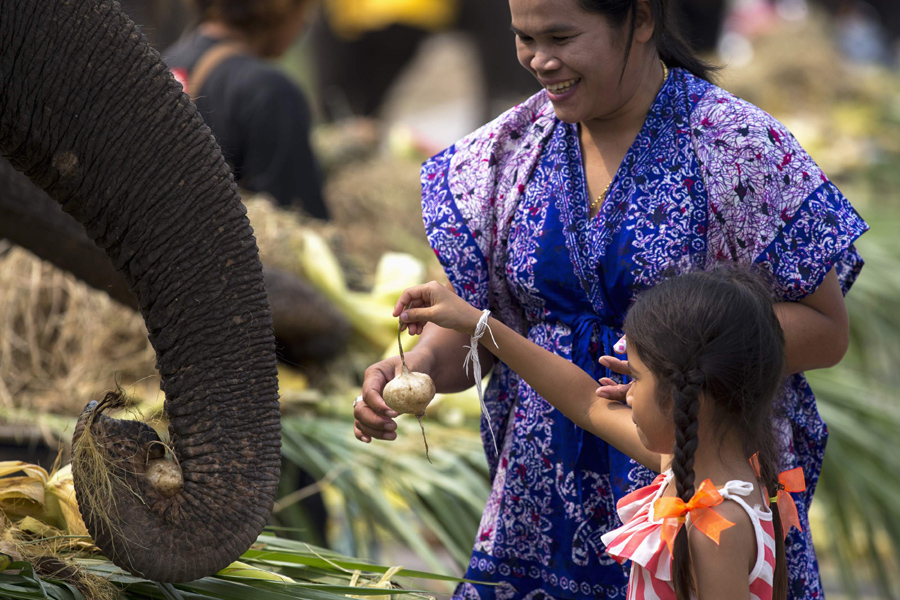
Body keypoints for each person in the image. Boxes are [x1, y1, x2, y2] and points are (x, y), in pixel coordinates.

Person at [353, 0, 868, 597]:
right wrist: (411, 370)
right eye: (524, 38)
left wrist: (676, 358)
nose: (541, 61)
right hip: (537, 507)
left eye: (562, 36)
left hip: (690, 487)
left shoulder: (738, 149)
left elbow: (826, 329)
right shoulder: (508, 154)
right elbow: (486, 325)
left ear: (641, 19)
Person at [393, 268, 792, 599]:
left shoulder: (713, 525)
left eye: (635, 378)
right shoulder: (696, 469)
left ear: (689, 396)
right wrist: (478, 324)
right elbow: (586, 402)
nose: (626, 393)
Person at [165, 0, 330, 220]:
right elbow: (300, 217)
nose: (303, 24)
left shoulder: (164, 62)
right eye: (303, 11)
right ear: (281, 8)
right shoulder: (270, 90)